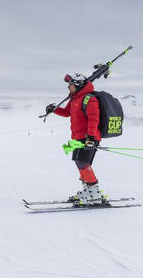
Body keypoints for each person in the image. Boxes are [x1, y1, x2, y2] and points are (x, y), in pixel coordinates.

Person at [46, 73, 106, 205]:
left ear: (78, 85)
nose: (69, 87)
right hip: (77, 137)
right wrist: (54, 110)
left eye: (71, 85)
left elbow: (94, 119)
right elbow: (67, 113)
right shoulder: (74, 99)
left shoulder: (89, 99)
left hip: (89, 136)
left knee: (83, 162)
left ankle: (94, 194)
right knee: (78, 162)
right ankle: (88, 191)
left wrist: (90, 137)